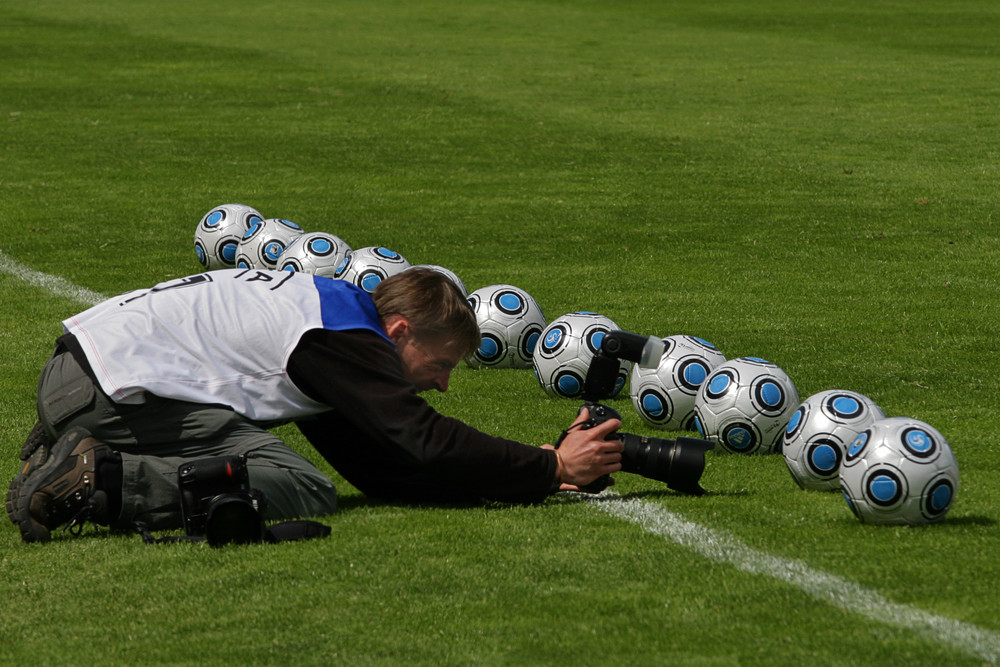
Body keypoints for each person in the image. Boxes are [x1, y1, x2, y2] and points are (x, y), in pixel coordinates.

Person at [7, 267, 623, 543]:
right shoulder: (344, 341)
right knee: (299, 486)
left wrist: (526, 470)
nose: (441, 384)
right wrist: (554, 468)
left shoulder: (334, 317)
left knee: (296, 472)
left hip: (82, 378)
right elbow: (422, 438)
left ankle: (89, 450)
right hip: (107, 391)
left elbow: (385, 467)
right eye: (440, 366)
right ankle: (99, 476)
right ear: (401, 332)